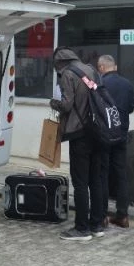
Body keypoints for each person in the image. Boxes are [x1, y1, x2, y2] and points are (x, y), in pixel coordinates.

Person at [49, 46, 105, 241]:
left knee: (80, 182)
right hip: (97, 131)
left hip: (79, 133)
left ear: (59, 63)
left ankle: (82, 228)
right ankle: (97, 225)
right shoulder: (91, 69)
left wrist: (53, 103)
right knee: (95, 180)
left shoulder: (68, 74)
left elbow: (66, 104)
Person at [97, 54, 134, 229]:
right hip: (121, 134)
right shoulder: (127, 84)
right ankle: (122, 215)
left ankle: (103, 215)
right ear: (115, 67)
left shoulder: (99, 84)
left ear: (101, 68)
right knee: (121, 174)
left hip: (104, 135)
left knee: (103, 174)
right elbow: (131, 108)